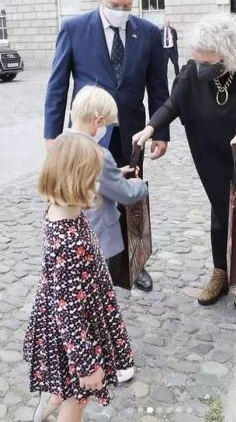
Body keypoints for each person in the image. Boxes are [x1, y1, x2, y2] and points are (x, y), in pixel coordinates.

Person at [133, 12, 236, 310]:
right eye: (197, 60)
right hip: (216, 159)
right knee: (220, 215)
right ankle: (220, 272)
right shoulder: (194, 71)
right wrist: (151, 127)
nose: (199, 68)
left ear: (228, 55)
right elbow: (174, 103)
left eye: (207, 62)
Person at [44, 0, 169, 292]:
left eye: (128, 5)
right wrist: (51, 135)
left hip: (131, 131)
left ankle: (133, 264)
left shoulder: (149, 33)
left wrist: (161, 132)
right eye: (116, 4)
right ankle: (86, 260)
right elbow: (57, 84)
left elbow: (158, 87)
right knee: (86, 198)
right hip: (87, 133)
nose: (123, 11)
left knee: (128, 196)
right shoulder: (73, 29)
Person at [24, 135, 135, 422]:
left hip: (75, 318)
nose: (98, 187)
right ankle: (58, 410)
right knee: (78, 396)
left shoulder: (61, 209)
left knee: (65, 386)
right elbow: (69, 313)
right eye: (94, 180)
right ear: (75, 182)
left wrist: (114, 175)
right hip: (73, 335)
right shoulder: (67, 241)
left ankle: (47, 406)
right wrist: (86, 366)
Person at [66, 85, 148, 383]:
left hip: (68, 238)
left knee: (80, 300)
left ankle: (79, 355)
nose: (108, 131)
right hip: (98, 237)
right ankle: (107, 359)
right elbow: (125, 195)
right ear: (98, 120)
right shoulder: (99, 154)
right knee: (100, 302)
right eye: (109, 125)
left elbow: (96, 181)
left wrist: (115, 173)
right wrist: (141, 185)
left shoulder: (62, 144)